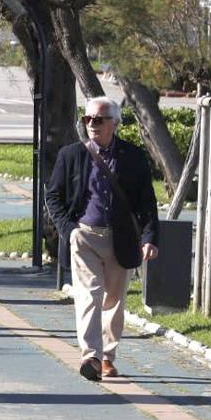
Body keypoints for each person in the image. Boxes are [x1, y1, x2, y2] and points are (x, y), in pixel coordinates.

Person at [45, 97, 160, 381]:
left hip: (121, 238)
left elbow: (146, 200)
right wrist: (69, 229)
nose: (92, 124)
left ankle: (108, 356)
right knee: (89, 295)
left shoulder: (132, 157)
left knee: (114, 300)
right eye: (88, 119)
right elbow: (53, 196)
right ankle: (91, 356)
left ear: (115, 123)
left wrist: (149, 237)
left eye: (99, 119)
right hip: (84, 236)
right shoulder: (71, 155)